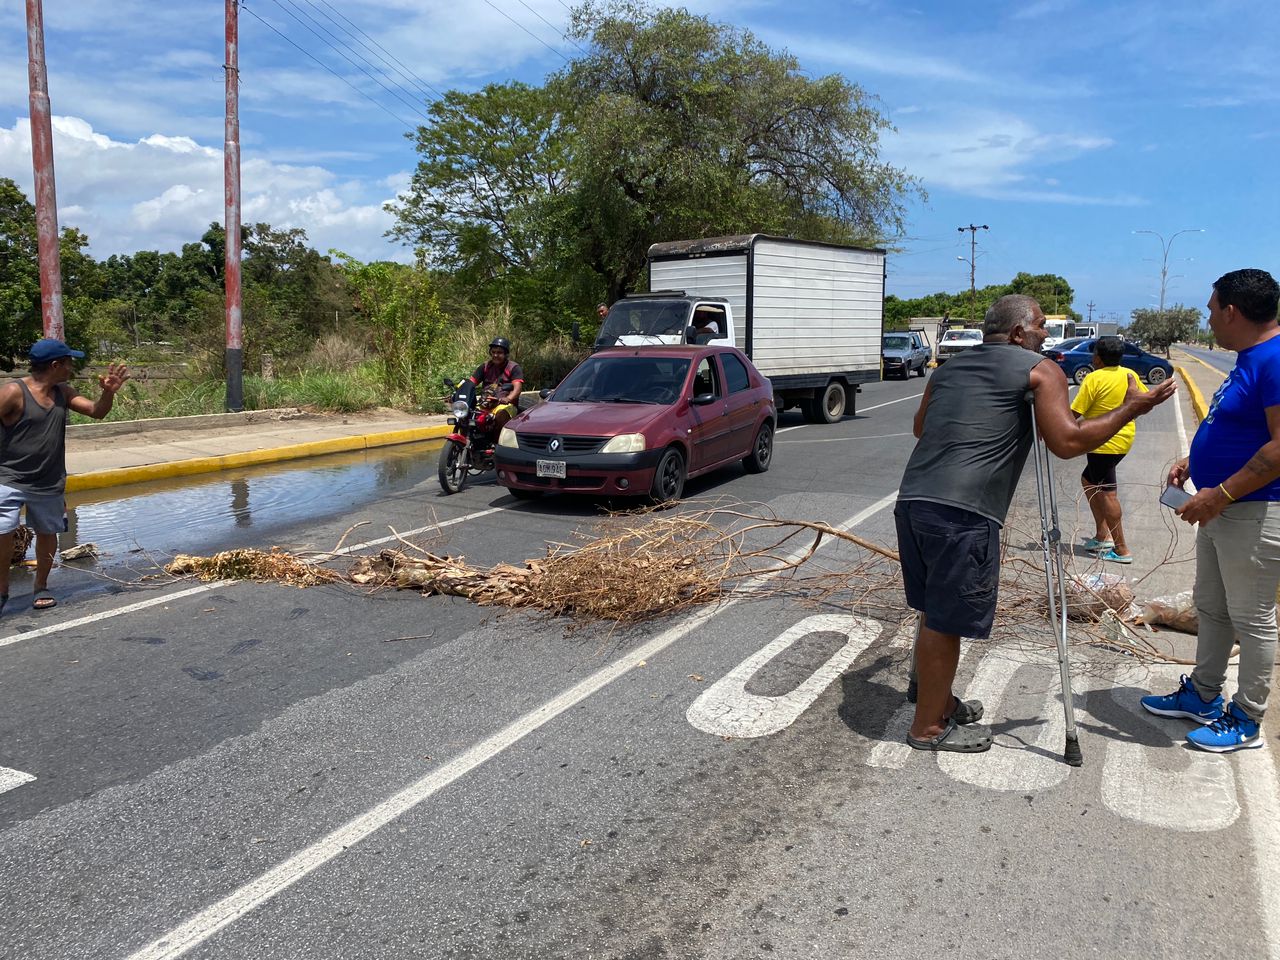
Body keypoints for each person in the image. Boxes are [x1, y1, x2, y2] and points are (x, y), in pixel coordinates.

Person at [896, 295, 1175, 753]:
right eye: (1042, 325)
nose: (1047, 333)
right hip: (964, 512)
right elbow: (1066, 442)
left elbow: (921, 428)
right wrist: (1134, 409)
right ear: (1019, 333)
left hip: (914, 502)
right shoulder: (1039, 369)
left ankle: (938, 700)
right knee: (945, 620)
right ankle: (927, 727)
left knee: (933, 608)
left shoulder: (947, 369)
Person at [1141, 268, 1280, 752]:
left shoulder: (1276, 359)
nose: (1208, 316)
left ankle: (1246, 718)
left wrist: (1219, 493)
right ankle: (1202, 695)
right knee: (1213, 608)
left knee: (1253, 618)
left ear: (1232, 311)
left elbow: (1279, 448)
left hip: (1254, 511)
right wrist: (1192, 460)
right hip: (1224, 508)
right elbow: (1240, 429)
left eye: (1211, 308)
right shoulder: (1248, 357)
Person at [0, 339, 129, 612]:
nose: (72, 368)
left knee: (48, 533)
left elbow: (96, 412)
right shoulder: (13, 392)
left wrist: (108, 393)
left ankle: (41, 586)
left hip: (48, 480)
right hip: (8, 477)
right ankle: (1, 591)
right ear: (55, 365)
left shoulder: (63, 392)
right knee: (3, 532)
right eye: (69, 363)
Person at [1070, 336, 1147, 564]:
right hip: (1122, 441)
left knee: (1107, 493)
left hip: (1102, 442)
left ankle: (1122, 549)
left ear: (1097, 358)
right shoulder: (1129, 375)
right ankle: (1101, 535)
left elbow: (1075, 412)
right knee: (1088, 480)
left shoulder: (1094, 378)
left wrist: (1052, 425)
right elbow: (1143, 402)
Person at [467, 336, 523, 436]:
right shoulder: (485, 366)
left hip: (505, 405)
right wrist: (459, 391)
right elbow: (471, 383)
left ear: (506, 354)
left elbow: (517, 388)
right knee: (467, 415)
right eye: (493, 352)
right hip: (485, 403)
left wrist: (508, 398)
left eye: (499, 353)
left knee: (500, 415)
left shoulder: (514, 367)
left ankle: (498, 443)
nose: (496, 355)